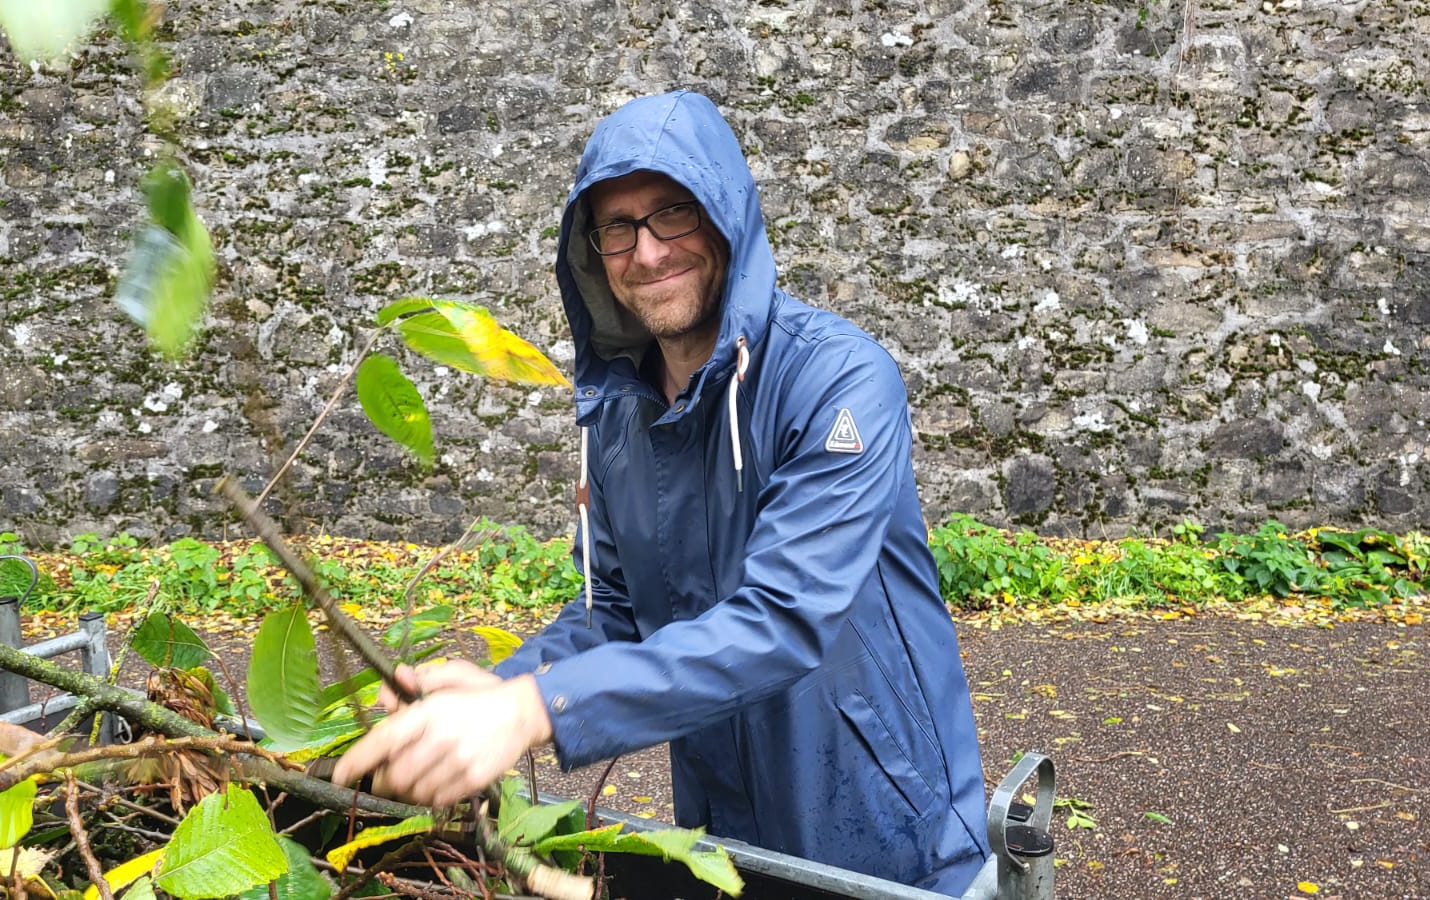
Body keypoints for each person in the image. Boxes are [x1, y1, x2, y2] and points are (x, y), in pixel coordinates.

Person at [334, 90, 990, 894]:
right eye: (617, 227)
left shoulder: (838, 381)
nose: (646, 253)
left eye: (673, 213)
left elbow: (783, 619)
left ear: (725, 215)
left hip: (894, 845)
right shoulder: (621, 419)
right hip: (728, 845)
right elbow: (615, 609)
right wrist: (502, 687)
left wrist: (536, 709)